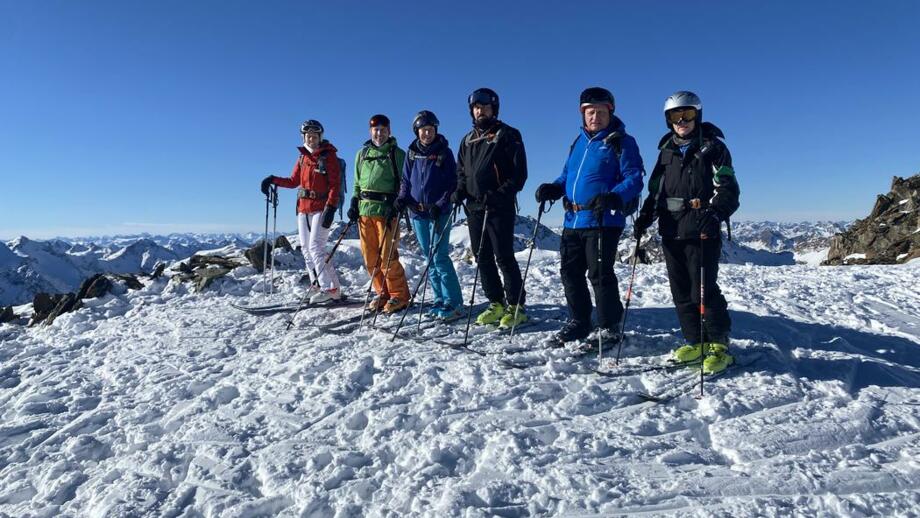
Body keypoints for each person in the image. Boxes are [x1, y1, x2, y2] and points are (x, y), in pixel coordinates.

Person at [633, 91, 740, 374]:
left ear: (698, 115)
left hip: (701, 229)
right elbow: (656, 190)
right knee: (680, 291)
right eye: (675, 116)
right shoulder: (666, 151)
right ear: (668, 120)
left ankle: (718, 344)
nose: (681, 121)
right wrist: (646, 216)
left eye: (687, 115)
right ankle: (695, 341)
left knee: (702, 290)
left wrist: (715, 213)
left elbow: (728, 186)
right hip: (671, 230)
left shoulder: (713, 148)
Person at [535, 87, 645, 344]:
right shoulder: (578, 142)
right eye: (590, 112)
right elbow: (567, 176)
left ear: (610, 112)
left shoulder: (621, 142)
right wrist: (554, 187)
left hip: (602, 219)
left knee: (599, 274)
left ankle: (609, 326)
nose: (595, 116)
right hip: (573, 219)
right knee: (570, 273)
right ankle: (579, 320)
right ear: (583, 114)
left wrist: (614, 196)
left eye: (600, 112)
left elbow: (635, 178)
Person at [451, 88, 528, 329]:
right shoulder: (467, 140)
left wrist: (498, 195)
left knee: (504, 256)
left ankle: (516, 306)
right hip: (474, 208)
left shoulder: (508, 135)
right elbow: (462, 171)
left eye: (485, 106)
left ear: (494, 109)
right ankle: (496, 302)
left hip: (499, 207)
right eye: (476, 107)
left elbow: (519, 175)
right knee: (482, 257)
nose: (480, 110)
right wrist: (460, 190)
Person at [261, 119, 342, 303]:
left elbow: (335, 184)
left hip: (322, 207)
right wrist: (272, 179)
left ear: (320, 136)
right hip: (303, 208)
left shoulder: (328, 156)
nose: (311, 138)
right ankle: (319, 285)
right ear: (303, 136)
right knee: (306, 249)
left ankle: (329, 289)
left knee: (316, 248)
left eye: (314, 135)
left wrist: (331, 207)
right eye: (308, 135)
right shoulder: (303, 157)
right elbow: (293, 181)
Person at [396, 110, 464, 320]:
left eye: (430, 129)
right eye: (423, 130)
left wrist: (441, 204)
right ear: (417, 131)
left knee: (440, 256)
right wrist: (402, 198)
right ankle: (439, 299)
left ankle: (454, 302)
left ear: (435, 130)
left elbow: (452, 182)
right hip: (417, 213)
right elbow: (406, 181)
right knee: (429, 258)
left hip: (438, 212)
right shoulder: (412, 153)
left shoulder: (445, 152)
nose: (427, 133)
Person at [346, 114, 411, 314]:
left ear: (389, 131)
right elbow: (357, 182)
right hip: (365, 211)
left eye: (383, 129)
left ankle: (399, 295)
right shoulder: (362, 154)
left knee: (387, 256)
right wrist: (354, 202)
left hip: (386, 212)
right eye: (376, 130)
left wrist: (397, 203)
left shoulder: (397, 154)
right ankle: (382, 292)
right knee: (370, 257)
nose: (379, 133)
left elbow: (405, 183)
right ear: (370, 131)